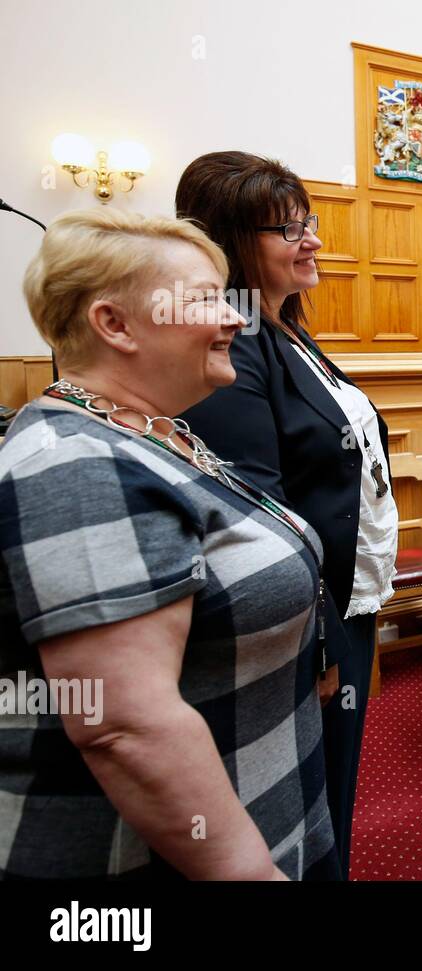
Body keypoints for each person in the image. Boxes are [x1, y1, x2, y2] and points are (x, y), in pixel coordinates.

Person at [0, 208, 337, 879]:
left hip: (266, 815)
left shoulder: (154, 431)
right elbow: (126, 728)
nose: (235, 318)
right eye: (206, 299)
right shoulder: (76, 464)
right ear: (115, 324)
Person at [175, 152, 398, 878]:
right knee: (309, 794)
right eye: (290, 229)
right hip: (308, 618)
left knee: (335, 778)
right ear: (233, 241)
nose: (313, 241)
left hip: (347, 596)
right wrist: (323, 637)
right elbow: (258, 513)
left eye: (310, 223)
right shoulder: (234, 344)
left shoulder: (286, 328)